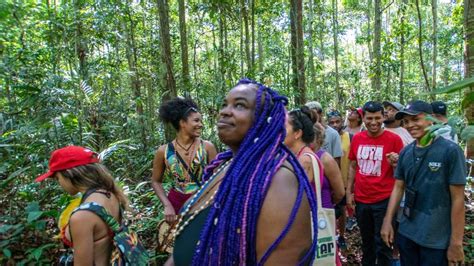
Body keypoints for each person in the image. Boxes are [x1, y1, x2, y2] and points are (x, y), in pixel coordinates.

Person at [169, 79, 319, 265]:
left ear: (265, 119)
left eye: (240, 105)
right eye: (225, 104)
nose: (224, 111)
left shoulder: (279, 180)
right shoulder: (227, 165)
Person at [381, 100, 466, 266]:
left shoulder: (450, 151)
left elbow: (458, 199)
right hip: (407, 233)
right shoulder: (406, 152)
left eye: (415, 119)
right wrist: (387, 221)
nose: (410, 125)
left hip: (436, 239)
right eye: (405, 121)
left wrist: (456, 243)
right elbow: (399, 187)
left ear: (431, 119)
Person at [35, 146, 129, 265]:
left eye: (57, 178)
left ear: (69, 174)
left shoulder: (82, 216)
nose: (59, 183)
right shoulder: (110, 195)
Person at [346, 101, 404, 266]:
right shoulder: (357, 138)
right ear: (363, 118)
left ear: (383, 117)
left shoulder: (394, 140)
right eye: (369, 118)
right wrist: (349, 192)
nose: (373, 122)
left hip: (384, 200)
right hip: (362, 199)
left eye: (377, 118)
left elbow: (402, 174)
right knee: (367, 243)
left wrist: (396, 162)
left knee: (384, 243)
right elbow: (352, 165)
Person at [152, 97, 217, 224]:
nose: (201, 124)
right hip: (176, 203)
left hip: (203, 202)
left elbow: (217, 179)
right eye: (196, 120)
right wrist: (167, 205)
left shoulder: (207, 147)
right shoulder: (163, 151)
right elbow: (155, 181)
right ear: (182, 123)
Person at [327, 110, 352, 249]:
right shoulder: (325, 136)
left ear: (342, 121)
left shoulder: (350, 137)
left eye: (337, 121)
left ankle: (341, 236)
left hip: (344, 180)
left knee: (342, 210)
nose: (335, 124)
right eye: (332, 122)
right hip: (329, 179)